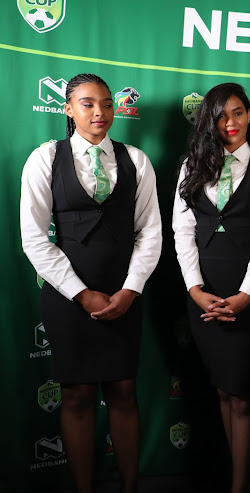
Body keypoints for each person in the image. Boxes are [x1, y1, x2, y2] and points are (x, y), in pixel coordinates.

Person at [20, 73, 162, 493]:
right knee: (78, 396)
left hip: (124, 295)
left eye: (106, 103)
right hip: (68, 299)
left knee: (122, 391)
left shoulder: (136, 160)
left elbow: (151, 232)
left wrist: (130, 290)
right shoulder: (45, 158)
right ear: (68, 108)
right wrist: (82, 294)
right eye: (87, 103)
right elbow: (33, 238)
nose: (99, 112)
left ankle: (130, 487)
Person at [172, 82, 250, 493]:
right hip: (204, 297)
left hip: (249, 297)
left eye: (239, 112)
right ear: (209, 121)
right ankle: (244, 474)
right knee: (224, 391)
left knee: (242, 396)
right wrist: (194, 289)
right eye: (222, 115)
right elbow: (182, 231)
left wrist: (245, 295)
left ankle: (241, 486)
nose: (231, 122)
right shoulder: (192, 166)